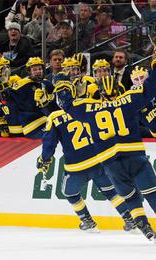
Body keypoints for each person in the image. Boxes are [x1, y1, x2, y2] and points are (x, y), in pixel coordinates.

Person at [55, 56, 156, 243]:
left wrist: (63, 86)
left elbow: (66, 104)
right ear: (118, 89)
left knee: (131, 198)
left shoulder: (90, 109)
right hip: (135, 157)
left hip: (112, 163)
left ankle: (145, 228)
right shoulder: (128, 100)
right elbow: (150, 89)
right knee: (153, 193)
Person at [38, 72, 137, 232]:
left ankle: (87, 221)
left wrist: (44, 159)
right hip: (98, 161)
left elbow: (49, 144)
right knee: (111, 192)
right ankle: (129, 219)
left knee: (70, 193)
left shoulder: (55, 117)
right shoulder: (87, 108)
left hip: (76, 166)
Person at [9, 57, 58, 139]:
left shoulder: (47, 84)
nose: (38, 71)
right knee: (52, 136)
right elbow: (6, 101)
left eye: (40, 69)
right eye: (34, 70)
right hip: (32, 126)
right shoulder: (21, 85)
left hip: (47, 122)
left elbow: (55, 105)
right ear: (29, 71)